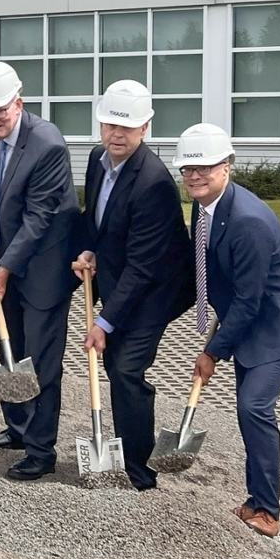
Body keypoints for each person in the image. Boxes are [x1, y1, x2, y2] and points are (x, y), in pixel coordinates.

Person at [176, 123, 280, 538]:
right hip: (249, 313)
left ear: (227, 167)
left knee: (254, 407)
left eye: (205, 167)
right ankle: (255, 499)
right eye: (188, 168)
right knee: (248, 408)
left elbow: (249, 300)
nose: (195, 176)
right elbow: (214, 270)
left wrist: (213, 352)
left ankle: (269, 512)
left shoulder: (248, 221)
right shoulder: (203, 206)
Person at [73, 79, 193, 491]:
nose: (116, 135)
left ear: (146, 128)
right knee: (115, 365)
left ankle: (141, 474)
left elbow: (144, 267)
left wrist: (103, 325)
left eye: (127, 127)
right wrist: (90, 249)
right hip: (122, 277)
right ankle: (124, 452)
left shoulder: (154, 183)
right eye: (109, 125)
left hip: (156, 290)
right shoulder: (96, 158)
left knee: (125, 368)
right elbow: (97, 216)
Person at [0, 62, 80, 481]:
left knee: (42, 359)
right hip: (4, 260)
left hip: (43, 266)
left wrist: (6, 268)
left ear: (19, 101)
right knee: (9, 348)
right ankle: (17, 427)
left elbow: (39, 217)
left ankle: (40, 449)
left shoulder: (47, 144)